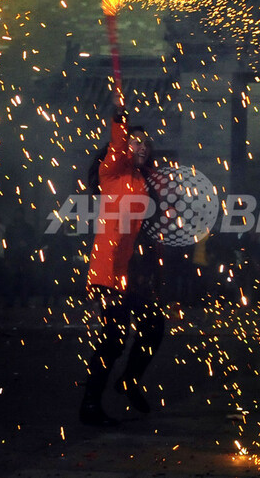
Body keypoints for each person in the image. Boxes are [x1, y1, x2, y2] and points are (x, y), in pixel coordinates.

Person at [79, 108, 165, 427]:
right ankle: (89, 404)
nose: (143, 147)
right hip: (107, 273)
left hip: (127, 275)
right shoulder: (112, 172)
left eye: (147, 143)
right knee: (113, 339)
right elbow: (116, 146)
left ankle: (128, 381)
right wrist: (119, 122)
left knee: (154, 325)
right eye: (136, 142)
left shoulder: (140, 179)